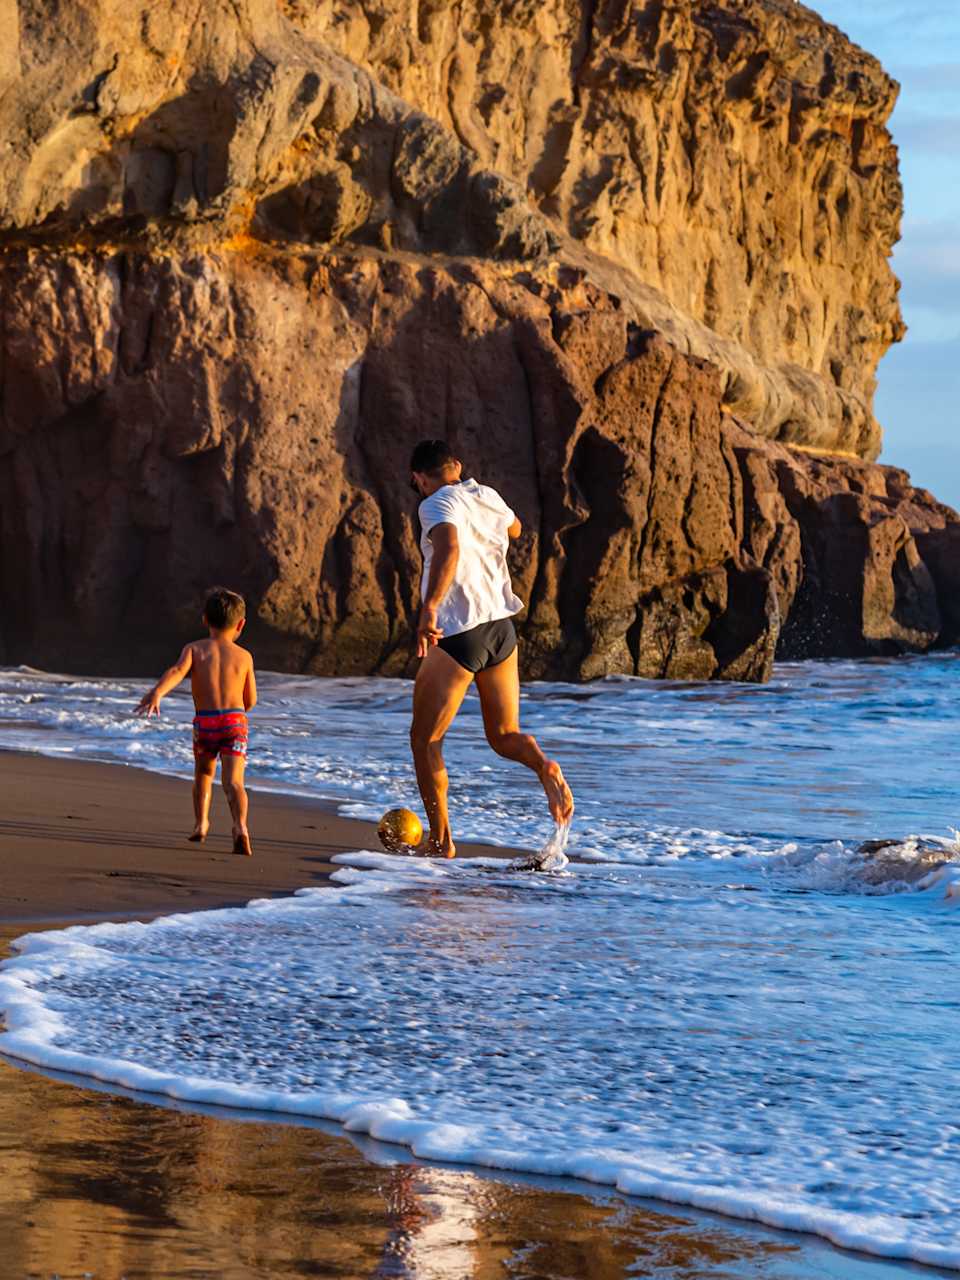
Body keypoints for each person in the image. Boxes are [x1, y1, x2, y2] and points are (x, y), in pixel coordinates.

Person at [409, 440, 574, 857]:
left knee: (425, 740)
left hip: (459, 631)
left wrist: (429, 608)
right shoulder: (487, 496)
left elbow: (448, 547)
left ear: (420, 479)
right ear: (458, 466)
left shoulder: (433, 504)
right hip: (500, 629)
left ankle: (441, 841)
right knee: (504, 735)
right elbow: (516, 528)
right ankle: (544, 766)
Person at [135, 587, 257, 856]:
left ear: (204, 620)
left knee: (203, 774)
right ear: (241, 624)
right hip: (235, 722)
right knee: (234, 782)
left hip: (206, 723)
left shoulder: (195, 649)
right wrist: (238, 714)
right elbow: (251, 700)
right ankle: (241, 828)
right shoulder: (244, 657)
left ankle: (201, 824)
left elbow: (178, 671)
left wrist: (158, 692)